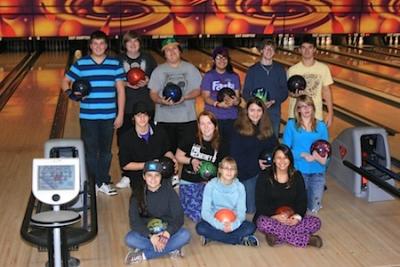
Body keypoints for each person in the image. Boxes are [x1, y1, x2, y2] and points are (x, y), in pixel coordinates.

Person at [61, 30, 125, 196]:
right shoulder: (81, 64)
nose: (98, 46)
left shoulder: (114, 63)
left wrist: (120, 114)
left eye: (102, 43)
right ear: (90, 46)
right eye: (95, 43)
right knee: (90, 151)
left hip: (109, 116)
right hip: (88, 117)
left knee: (106, 152)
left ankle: (102, 181)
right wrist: (71, 95)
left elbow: (121, 91)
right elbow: (65, 81)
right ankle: (94, 182)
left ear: (106, 46)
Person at [254, 144, 323, 248]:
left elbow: (302, 201)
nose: (282, 161)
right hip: (270, 217)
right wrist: (275, 216)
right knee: (262, 222)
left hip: (291, 217)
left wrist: (296, 217)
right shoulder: (264, 176)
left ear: (290, 159)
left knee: (316, 222)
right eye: (279, 157)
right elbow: (260, 203)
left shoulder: (297, 176)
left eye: (285, 157)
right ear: (273, 160)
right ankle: (307, 240)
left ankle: (277, 236)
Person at [124, 161, 191, 264]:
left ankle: (143, 255)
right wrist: (151, 236)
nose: (153, 179)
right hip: (148, 234)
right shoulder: (137, 194)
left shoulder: (169, 192)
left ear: (161, 177)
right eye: (149, 175)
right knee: (130, 239)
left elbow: (178, 217)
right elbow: (134, 222)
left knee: (185, 235)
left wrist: (167, 234)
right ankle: (171, 248)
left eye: (157, 175)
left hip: (167, 233)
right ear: (144, 176)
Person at [116, 31, 158, 189]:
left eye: (136, 41)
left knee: (148, 140)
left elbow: (157, 80)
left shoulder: (148, 58)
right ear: (124, 44)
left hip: (147, 106)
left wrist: (147, 81)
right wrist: (126, 84)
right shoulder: (118, 60)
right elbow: (114, 80)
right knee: (125, 142)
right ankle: (126, 175)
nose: (133, 45)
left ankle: (151, 172)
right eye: (129, 42)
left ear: (140, 43)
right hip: (125, 107)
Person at [148, 37, 202, 155]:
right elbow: (153, 94)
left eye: (174, 48)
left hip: (187, 120)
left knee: (188, 155)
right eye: (168, 50)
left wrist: (185, 97)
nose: (172, 52)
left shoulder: (190, 68)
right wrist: (161, 101)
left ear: (180, 50)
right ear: (164, 54)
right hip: (164, 120)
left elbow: (198, 90)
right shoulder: (158, 71)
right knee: (167, 156)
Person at [196, 157, 259, 247]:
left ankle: (213, 236)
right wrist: (220, 226)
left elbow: (241, 212)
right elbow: (205, 213)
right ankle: (239, 240)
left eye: (232, 169)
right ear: (220, 170)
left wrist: (232, 226)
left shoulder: (240, 187)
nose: (229, 171)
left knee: (251, 227)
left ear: (236, 172)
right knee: (200, 228)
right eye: (226, 168)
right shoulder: (211, 185)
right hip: (215, 220)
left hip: (232, 220)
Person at [230, 97, 278, 214]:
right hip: (246, 173)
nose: (255, 114)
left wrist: (273, 162)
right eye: (252, 110)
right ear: (246, 111)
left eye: (259, 110)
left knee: (268, 206)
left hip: (265, 171)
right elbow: (235, 156)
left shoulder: (267, 128)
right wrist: (256, 163)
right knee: (251, 209)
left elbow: (275, 147)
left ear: (263, 112)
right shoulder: (238, 129)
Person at [282, 95, 329, 213]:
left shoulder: (321, 126)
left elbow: (326, 150)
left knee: (314, 208)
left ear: (313, 107)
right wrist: (302, 154)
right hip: (299, 170)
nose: (306, 109)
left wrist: (321, 160)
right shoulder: (291, 125)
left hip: (317, 171)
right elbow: (285, 149)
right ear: (298, 109)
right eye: (302, 107)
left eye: (308, 105)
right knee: (299, 207)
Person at [175, 111, 223, 222]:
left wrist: (212, 181)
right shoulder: (190, 138)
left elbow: (222, 166)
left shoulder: (221, 142)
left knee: (217, 210)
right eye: (202, 123)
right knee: (199, 215)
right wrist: (191, 161)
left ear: (215, 126)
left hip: (209, 184)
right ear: (198, 126)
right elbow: (178, 156)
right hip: (189, 182)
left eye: (209, 123)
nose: (206, 127)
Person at [118, 101, 177, 190]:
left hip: (159, 172)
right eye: (138, 116)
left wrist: (172, 159)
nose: (142, 118)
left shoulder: (160, 132)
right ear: (133, 118)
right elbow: (125, 165)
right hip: (138, 174)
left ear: (149, 117)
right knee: (143, 198)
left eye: (145, 115)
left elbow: (167, 150)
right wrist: (149, 165)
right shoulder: (126, 138)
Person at [242, 39, 288, 137]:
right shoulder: (252, 70)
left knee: (272, 141)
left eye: (272, 49)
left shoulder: (280, 70)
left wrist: (274, 101)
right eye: (266, 49)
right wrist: (257, 104)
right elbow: (246, 92)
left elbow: (284, 91)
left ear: (274, 52)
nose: (269, 51)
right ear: (261, 51)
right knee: (255, 140)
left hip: (274, 111)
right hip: (256, 112)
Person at [201, 46, 241, 155]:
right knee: (215, 148)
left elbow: (238, 99)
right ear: (213, 60)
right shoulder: (209, 76)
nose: (222, 61)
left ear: (228, 60)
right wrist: (218, 104)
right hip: (214, 118)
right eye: (218, 58)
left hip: (231, 118)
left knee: (229, 148)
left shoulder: (234, 77)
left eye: (224, 58)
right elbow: (205, 97)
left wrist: (234, 102)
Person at [287, 35, 334, 127]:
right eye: (303, 47)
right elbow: (287, 91)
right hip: (295, 116)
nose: (307, 51)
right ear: (299, 50)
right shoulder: (292, 70)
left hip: (316, 116)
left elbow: (326, 91)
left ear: (315, 49)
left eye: (310, 47)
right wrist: (293, 94)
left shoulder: (323, 68)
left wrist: (330, 113)